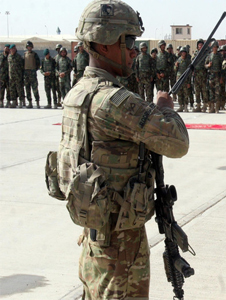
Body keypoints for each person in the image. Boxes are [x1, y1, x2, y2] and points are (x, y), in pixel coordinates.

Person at [55, 1, 189, 299]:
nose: (134, 50)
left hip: (97, 240)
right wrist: (166, 109)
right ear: (103, 44)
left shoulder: (78, 94)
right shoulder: (113, 101)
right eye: (128, 41)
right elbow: (177, 143)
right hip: (120, 248)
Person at [23, 41, 41, 108]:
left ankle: (37, 102)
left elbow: (38, 63)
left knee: (35, 89)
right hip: (26, 74)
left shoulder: (34, 54)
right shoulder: (25, 54)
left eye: (30, 47)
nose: (29, 48)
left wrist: (34, 69)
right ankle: (30, 102)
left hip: (32, 73)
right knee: (27, 89)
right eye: (28, 47)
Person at [7, 44, 25, 108]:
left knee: (19, 89)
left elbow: (22, 66)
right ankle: (14, 102)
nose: (13, 50)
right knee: (12, 89)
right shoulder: (9, 57)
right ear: (10, 50)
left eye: (14, 48)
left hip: (18, 76)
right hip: (11, 76)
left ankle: (21, 102)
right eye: (12, 49)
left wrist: (21, 75)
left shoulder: (18, 57)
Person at [174, 47, 192, 112]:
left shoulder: (188, 61)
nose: (183, 53)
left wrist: (189, 82)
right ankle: (180, 106)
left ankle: (186, 106)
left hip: (186, 78)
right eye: (182, 52)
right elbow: (175, 70)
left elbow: (190, 71)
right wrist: (176, 66)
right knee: (179, 93)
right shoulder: (178, 60)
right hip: (179, 78)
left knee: (186, 93)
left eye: (184, 52)